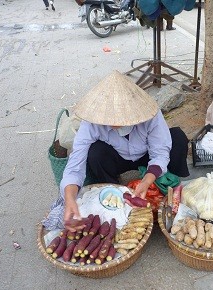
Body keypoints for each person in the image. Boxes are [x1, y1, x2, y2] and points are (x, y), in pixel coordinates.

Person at [47, 71, 189, 232]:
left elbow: (160, 152)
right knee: (95, 153)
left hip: (146, 153)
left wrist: (147, 181)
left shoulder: (150, 114)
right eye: (110, 119)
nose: (115, 124)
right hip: (117, 157)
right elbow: (75, 164)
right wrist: (70, 198)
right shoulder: (91, 122)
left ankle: (170, 188)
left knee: (177, 138)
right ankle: (114, 192)